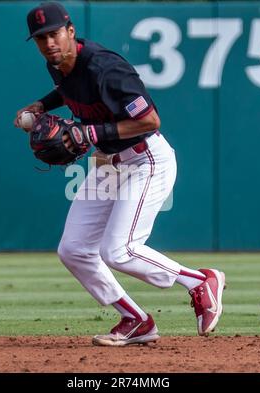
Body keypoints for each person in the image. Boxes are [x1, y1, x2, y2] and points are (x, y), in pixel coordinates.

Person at [15, 1, 225, 346]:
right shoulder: (58, 64)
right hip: (109, 163)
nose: (49, 43)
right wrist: (42, 104)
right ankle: (136, 320)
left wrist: (91, 134)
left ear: (70, 31)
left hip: (146, 160)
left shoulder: (106, 68)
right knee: (73, 249)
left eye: (54, 34)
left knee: (119, 250)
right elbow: (69, 90)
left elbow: (150, 120)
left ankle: (199, 281)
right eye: (40, 38)